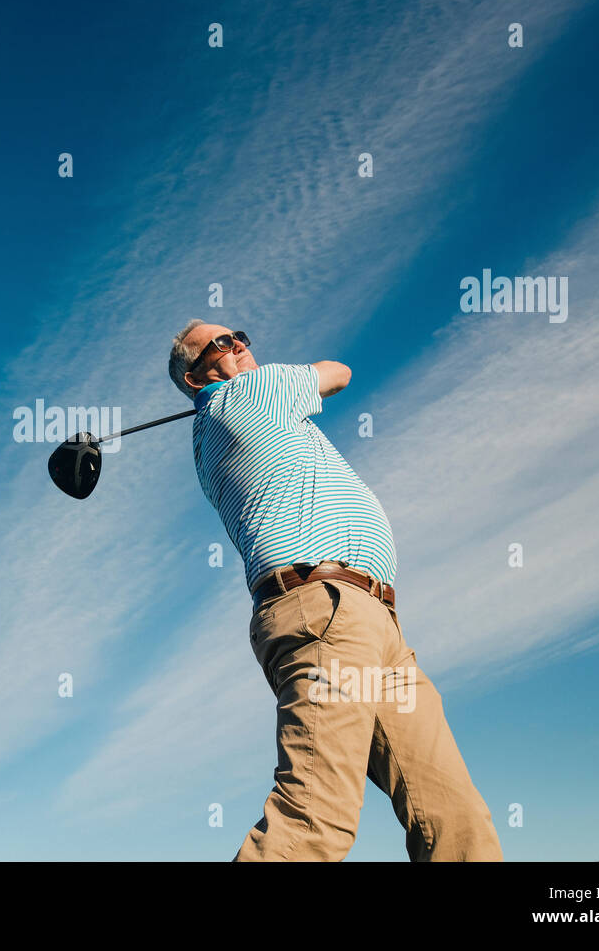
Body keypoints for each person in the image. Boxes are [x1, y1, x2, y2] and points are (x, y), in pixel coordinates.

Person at [168, 319, 503, 862]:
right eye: (222, 344)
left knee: (453, 813)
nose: (242, 346)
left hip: (377, 627)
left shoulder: (233, 415)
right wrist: (252, 382)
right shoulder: (242, 397)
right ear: (194, 375)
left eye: (243, 336)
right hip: (327, 612)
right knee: (315, 817)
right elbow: (337, 374)